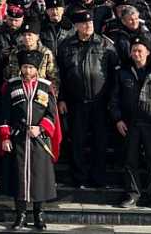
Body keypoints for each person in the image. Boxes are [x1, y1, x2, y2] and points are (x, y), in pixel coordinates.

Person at [56, 10, 119, 188]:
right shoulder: (66, 45)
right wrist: (61, 98)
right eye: (84, 24)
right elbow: (60, 74)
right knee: (77, 141)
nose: (88, 26)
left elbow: (115, 74)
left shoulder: (105, 44)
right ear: (76, 26)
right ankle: (79, 178)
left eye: (90, 23)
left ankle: (99, 178)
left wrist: (112, 100)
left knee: (100, 141)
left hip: (100, 102)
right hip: (76, 101)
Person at [0, 50, 59, 231]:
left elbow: (52, 114)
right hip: (18, 138)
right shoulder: (11, 85)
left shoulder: (46, 87)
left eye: (31, 67)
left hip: (39, 140)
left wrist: (40, 128)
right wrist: (5, 137)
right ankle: (21, 215)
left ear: (37, 69)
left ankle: (39, 215)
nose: (27, 70)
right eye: (25, 67)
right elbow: (4, 113)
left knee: (39, 178)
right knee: (19, 177)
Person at [111, 37, 151, 210]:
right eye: (134, 51)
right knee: (130, 160)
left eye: (140, 50)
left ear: (148, 52)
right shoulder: (121, 71)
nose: (136, 54)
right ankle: (132, 195)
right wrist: (117, 119)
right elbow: (114, 99)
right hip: (130, 123)